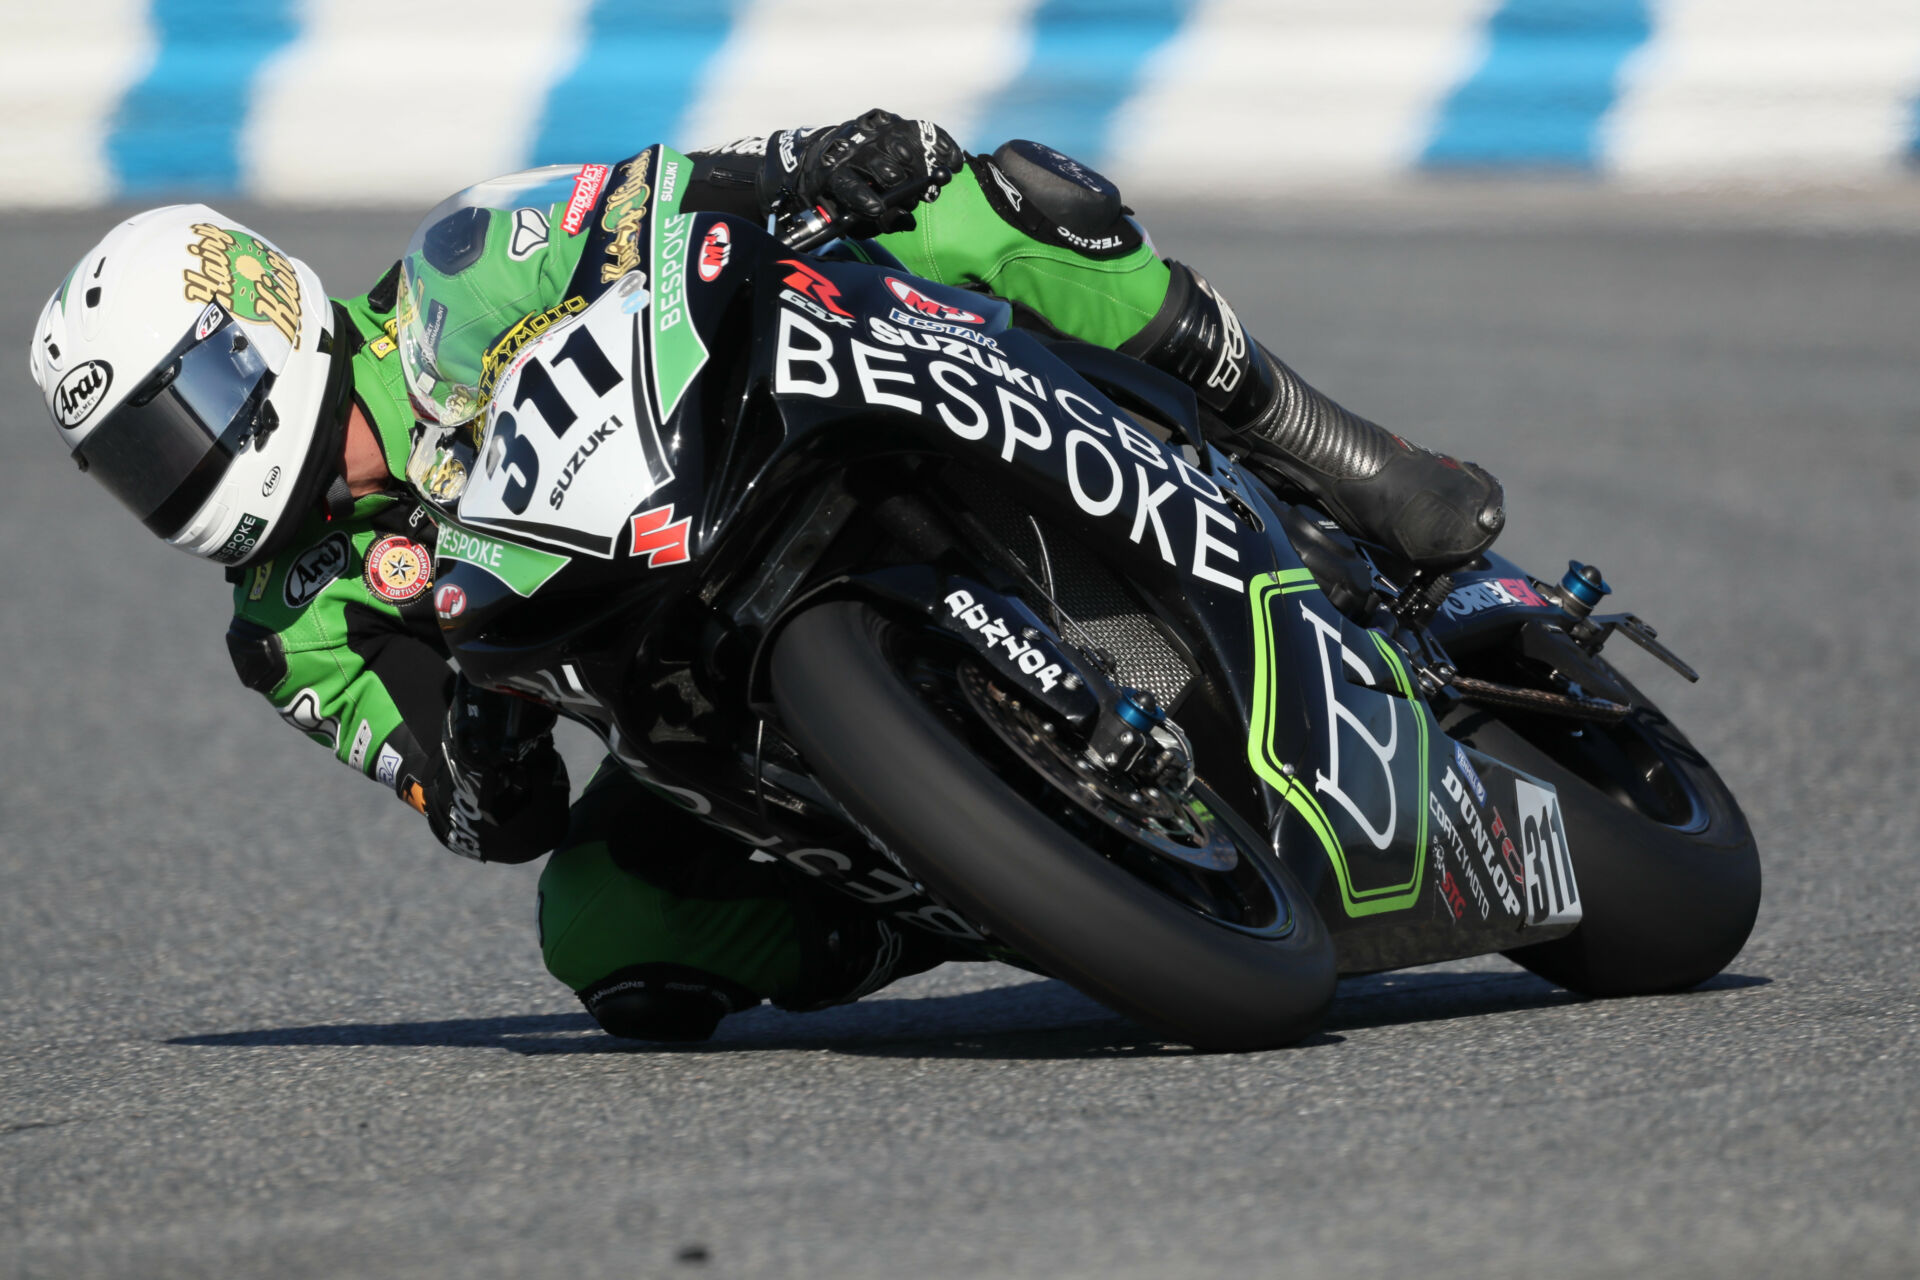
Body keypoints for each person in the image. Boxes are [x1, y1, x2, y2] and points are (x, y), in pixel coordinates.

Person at [29, 110, 1504, 1042]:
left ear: (260, 324)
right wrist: (481, 746)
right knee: (603, 937)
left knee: (967, 196)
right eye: (133, 471)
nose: (175, 479)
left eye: (172, 424)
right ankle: (963, 883)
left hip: (782, 435)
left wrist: (817, 167)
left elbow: (673, 197)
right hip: (696, 693)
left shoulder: (464, 274)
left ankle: (1314, 436)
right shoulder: (294, 633)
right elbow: (487, 817)